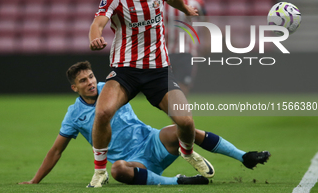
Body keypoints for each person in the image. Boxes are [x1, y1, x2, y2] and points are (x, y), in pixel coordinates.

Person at [18, 61, 270, 187]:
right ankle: (179, 181)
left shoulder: (113, 87)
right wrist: (34, 181)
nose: (91, 82)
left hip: (154, 141)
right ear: (75, 87)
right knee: (117, 170)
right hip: (135, 162)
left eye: (91, 76)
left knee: (183, 127)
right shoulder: (73, 115)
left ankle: (243, 156)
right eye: (83, 81)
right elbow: (56, 150)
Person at [88, 0, 210, 187]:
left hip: (158, 70)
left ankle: (187, 152)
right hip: (126, 70)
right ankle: (100, 171)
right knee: (102, 113)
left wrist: (185, 8)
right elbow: (98, 22)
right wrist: (95, 37)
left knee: (185, 121)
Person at [165, 0, 209, 96]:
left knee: (184, 86)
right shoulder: (160, 2)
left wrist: (207, 41)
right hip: (165, 51)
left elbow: (205, 21)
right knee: (167, 86)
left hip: (188, 51)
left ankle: (180, 113)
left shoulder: (196, 1)